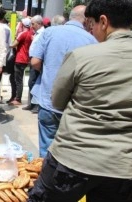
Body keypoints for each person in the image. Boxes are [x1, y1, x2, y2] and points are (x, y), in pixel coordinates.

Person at [28, 0, 132, 201]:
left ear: (103, 21)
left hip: (73, 160)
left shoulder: (82, 56)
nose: (90, 31)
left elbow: (57, 101)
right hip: (125, 167)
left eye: (91, 24)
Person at [29, 5, 97, 157]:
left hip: (48, 100)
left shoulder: (49, 32)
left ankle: (46, 178)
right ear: (87, 20)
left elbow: (34, 62)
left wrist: (48, 72)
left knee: (46, 148)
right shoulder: (92, 40)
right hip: (74, 107)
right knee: (69, 152)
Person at [9, 18, 34, 106]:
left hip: (20, 58)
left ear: (22, 25)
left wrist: (7, 44)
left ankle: (18, 99)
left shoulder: (22, 34)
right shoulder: (31, 33)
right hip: (26, 58)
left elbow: (13, 45)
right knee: (20, 79)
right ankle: (17, 98)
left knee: (18, 80)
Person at [23, 15, 44, 113]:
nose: (31, 26)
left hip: (37, 60)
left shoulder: (43, 33)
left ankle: (36, 104)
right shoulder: (37, 33)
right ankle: (32, 103)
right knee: (31, 82)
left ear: (39, 24)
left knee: (34, 82)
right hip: (33, 59)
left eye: (33, 24)